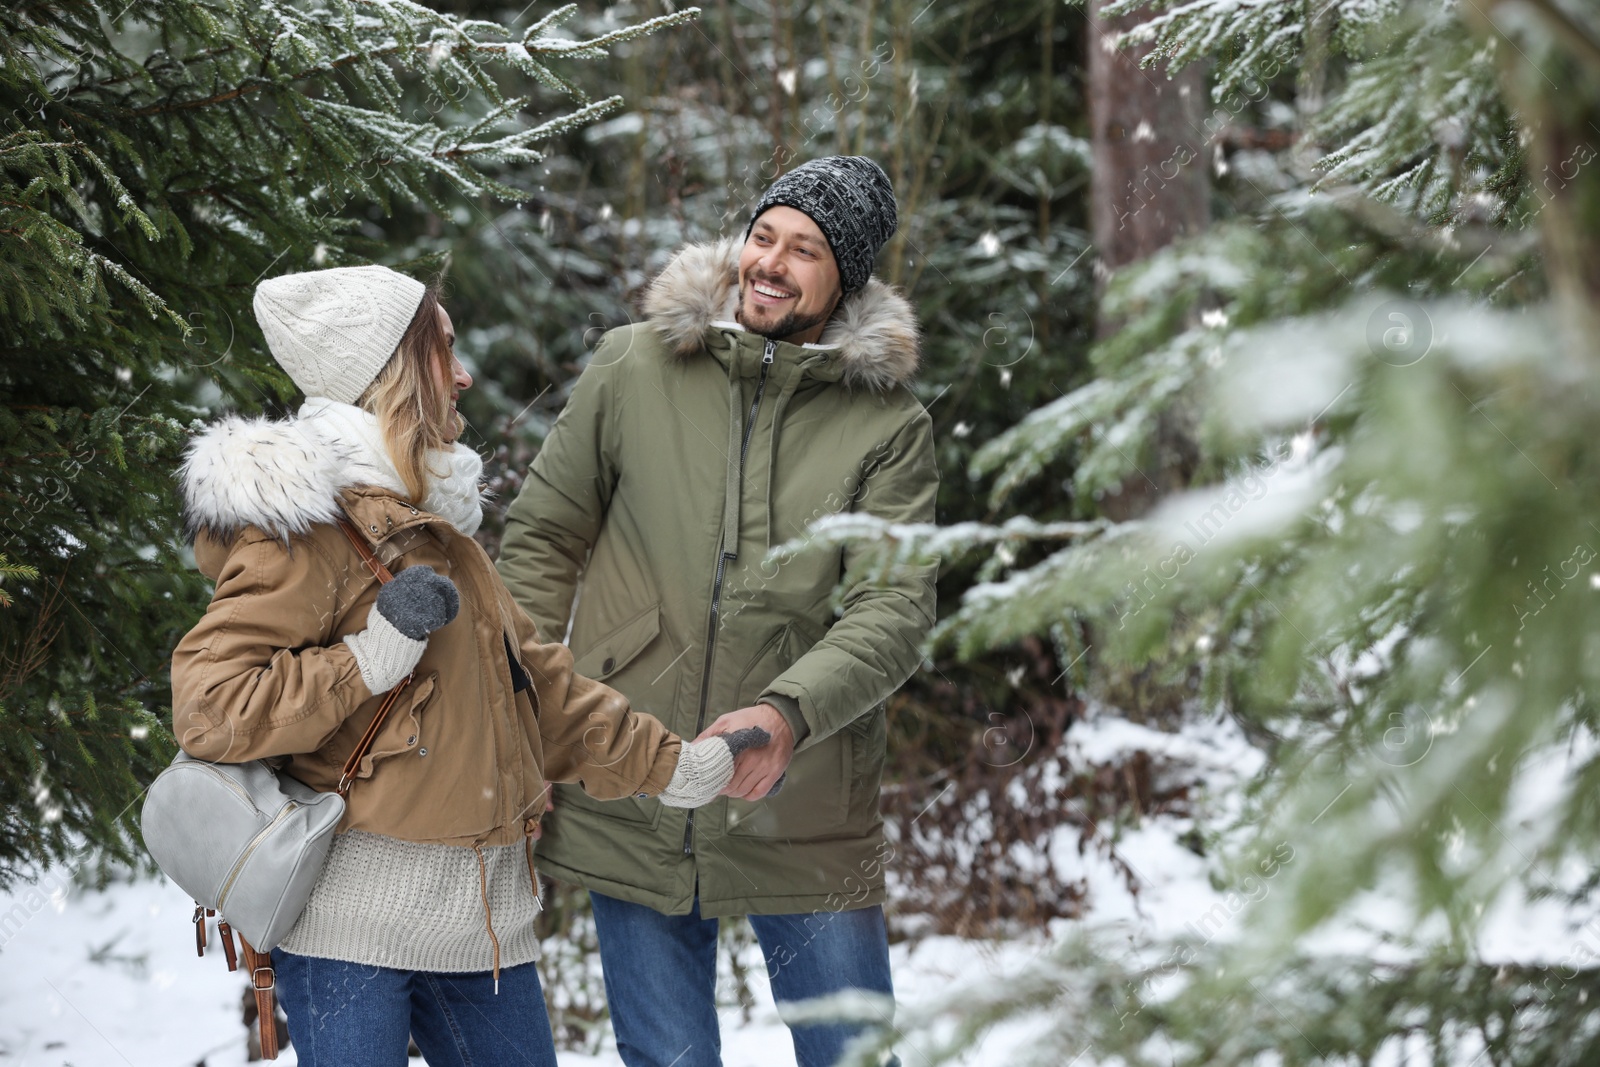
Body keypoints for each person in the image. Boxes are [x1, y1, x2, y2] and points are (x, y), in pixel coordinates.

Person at [170, 265, 764, 1067]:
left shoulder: (439, 532)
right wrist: (368, 659)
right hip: (351, 928)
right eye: (442, 349)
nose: (464, 373)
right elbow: (210, 705)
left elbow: (542, 687)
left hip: (483, 928)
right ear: (393, 372)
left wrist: (678, 766)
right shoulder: (311, 532)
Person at [498, 155, 940, 1067]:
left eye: (806, 249)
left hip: (804, 791)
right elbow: (542, 539)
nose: (771, 262)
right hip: (632, 765)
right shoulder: (633, 364)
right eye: (764, 235)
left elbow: (894, 606)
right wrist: (528, 707)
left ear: (845, 278)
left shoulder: (888, 425)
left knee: (852, 1052)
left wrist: (789, 712)